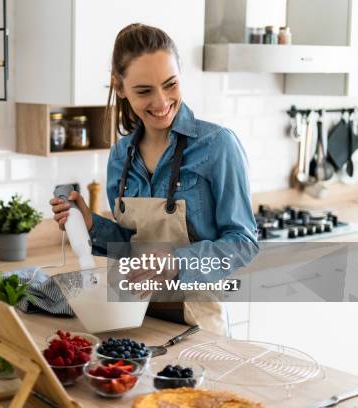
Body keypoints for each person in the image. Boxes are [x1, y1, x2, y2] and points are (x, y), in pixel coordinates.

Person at [49, 24, 258, 335]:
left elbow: (243, 244)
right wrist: (93, 226)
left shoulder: (217, 145)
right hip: (129, 317)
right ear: (119, 87)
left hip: (196, 322)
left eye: (170, 84)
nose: (161, 103)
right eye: (144, 91)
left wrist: (176, 262)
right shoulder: (120, 155)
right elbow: (132, 245)